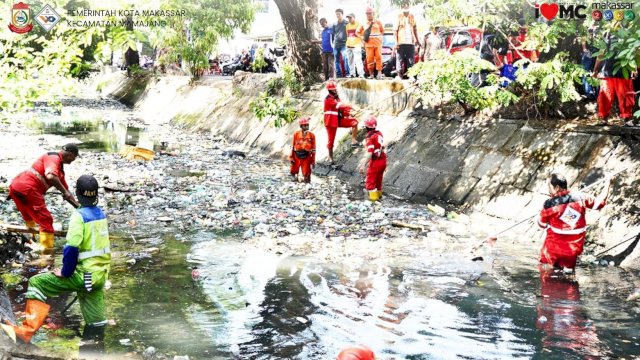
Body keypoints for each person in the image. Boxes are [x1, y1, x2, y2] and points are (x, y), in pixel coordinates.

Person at [1, 175, 111, 343]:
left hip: (85, 276)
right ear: (96, 195)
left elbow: (71, 248)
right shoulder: (101, 215)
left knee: (37, 282)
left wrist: (66, 272)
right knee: (96, 323)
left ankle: (27, 331)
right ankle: (97, 348)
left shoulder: (79, 216)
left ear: (77, 193)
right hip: (99, 277)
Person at [536, 171, 614, 271]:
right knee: (568, 279)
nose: (548, 189)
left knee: (547, 275)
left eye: (549, 186)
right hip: (572, 251)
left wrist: (540, 212)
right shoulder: (581, 197)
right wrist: (608, 183)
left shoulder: (548, 204)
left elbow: (540, 226)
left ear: (557, 188)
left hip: (552, 252)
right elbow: (600, 203)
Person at [8, 144, 80, 249]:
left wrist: (80, 208)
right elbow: (50, 176)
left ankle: (31, 241)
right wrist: (65, 192)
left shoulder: (59, 168)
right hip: (29, 189)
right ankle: (46, 254)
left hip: (17, 187)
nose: (75, 159)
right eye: (75, 156)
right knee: (46, 221)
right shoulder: (53, 158)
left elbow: (67, 193)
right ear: (70, 154)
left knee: (29, 215)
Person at [592, 32, 636, 126]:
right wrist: (596, 70)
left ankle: (627, 119)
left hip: (624, 69)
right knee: (604, 96)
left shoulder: (629, 32)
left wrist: (634, 67)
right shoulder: (606, 34)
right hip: (606, 70)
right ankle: (603, 119)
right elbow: (600, 53)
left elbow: (634, 51)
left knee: (626, 95)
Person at [324, 81, 359, 164]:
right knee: (331, 141)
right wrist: (352, 107)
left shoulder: (336, 98)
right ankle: (330, 158)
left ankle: (354, 141)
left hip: (338, 120)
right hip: (330, 122)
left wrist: (350, 112)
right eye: (334, 89)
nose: (336, 90)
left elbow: (342, 109)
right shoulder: (328, 99)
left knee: (354, 122)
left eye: (335, 88)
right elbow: (339, 106)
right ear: (330, 90)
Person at [359, 115, 386, 201]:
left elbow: (370, 152)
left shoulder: (370, 138)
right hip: (383, 160)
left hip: (376, 162)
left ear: (366, 127)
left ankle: (374, 203)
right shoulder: (379, 133)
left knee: (370, 184)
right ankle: (380, 199)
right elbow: (383, 147)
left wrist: (363, 165)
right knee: (378, 183)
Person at [357, 7, 385, 80]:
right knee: (369, 59)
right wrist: (362, 39)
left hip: (377, 44)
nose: (369, 15)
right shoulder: (363, 23)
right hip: (368, 44)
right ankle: (371, 74)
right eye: (367, 14)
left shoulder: (378, 22)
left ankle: (379, 74)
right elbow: (357, 32)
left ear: (373, 14)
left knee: (379, 57)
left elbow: (382, 31)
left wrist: (379, 38)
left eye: (370, 13)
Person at [394, 6, 419, 79]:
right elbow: (395, 31)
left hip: (410, 42)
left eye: (407, 11)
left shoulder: (412, 17)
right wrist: (396, 42)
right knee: (399, 59)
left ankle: (411, 75)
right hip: (401, 42)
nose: (406, 13)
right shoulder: (399, 17)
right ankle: (399, 76)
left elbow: (415, 29)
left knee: (411, 60)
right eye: (405, 11)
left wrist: (417, 40)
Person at [289, 117, 316, 183]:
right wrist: (291, 157)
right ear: (301, 126)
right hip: (296, 154)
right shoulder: (296, 134)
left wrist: (313, 161)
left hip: (307, 155)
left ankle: (306, 179)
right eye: (305, 125)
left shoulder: (312, 135)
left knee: (306, 171)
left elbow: (314, 149)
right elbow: (292, 146)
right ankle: (294, 176)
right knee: (294, 168)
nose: (306, 126)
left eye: (307, 125)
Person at [581, 27, 599, 100]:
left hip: (598, 54)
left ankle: (598, 94)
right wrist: (586, 51)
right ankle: (589, 93)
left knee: (598, 72)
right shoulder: (586, 29)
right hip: (588, 54)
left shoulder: (601, 29)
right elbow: (583, 41)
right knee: (586, 72)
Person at [345, 13, 365, 78]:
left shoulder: (359, 24)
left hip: (356, 45)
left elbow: (362, 35)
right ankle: (352, 74)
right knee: (350, 61)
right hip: (348, 45)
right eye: (348, 18)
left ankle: (361, 74)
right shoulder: (347, 26)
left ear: (354, 17)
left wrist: (362, 44)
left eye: (350, 18)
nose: (349, 19)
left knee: (358, 60)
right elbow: (347, 35)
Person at [333, 9, 350, 78]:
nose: (337, 15)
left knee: (345, 58)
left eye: (339, 14)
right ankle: (339, 75)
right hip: (336, 44)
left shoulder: (346, 23)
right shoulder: (334, 24)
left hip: (344, 44)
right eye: (336, 14)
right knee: (336, 60)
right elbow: (334, 34)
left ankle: (347, 74)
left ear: (342, 14)